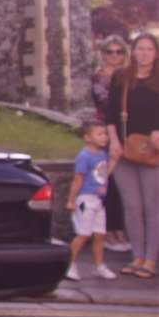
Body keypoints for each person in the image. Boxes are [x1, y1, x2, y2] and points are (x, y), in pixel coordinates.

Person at [100, 32, 159, 279]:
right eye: (140, 48)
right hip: (124, 150)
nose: (144, 53)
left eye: (149, 49)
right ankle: (137, 256)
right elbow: (111, 114)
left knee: (151, 207)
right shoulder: (122, 78)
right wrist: (113, 142)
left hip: (153, 152)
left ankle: (150, 259)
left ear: (156, 53)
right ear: (133, 51)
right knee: (132, 207)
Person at [91, 37, 132, 253]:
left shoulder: (127, 77)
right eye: (110, 52)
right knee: (108, 184)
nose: (114, 56)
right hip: (106, 136)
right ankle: (108, 231)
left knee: (122, 184)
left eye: (119, 52)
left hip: (127, 134)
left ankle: (119, 229)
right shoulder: (100, 78)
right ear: (103, 53)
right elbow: (107, 105)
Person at [65, 119, 117, 281]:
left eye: (105, 134)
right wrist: (71, 199)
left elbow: (103, 175)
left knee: (99, 235)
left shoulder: (102, 154)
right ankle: (69, 265)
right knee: (83, 234)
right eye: (99, 134)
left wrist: (114, 161)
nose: (104, 137)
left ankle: (99, 265)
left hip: (98, 201)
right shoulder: (84, 156)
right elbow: (78, 179)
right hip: (86, 200)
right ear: (87, 137)